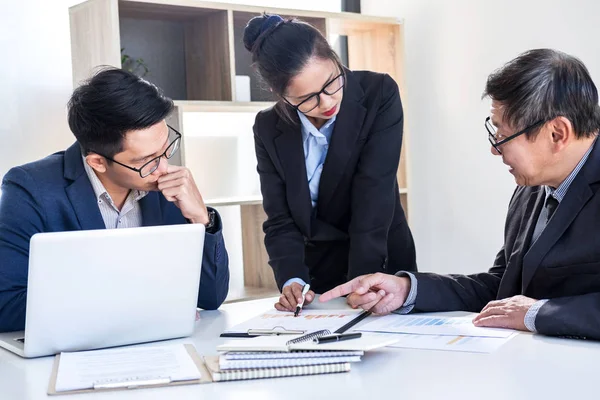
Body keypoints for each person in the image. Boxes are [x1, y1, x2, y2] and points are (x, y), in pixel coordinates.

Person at [320, 48, 600, 340]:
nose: (494, 148)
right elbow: (502, 287)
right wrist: (408, 289)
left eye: (503, 136)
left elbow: (525, 309)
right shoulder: (531, 188)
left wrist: (537, 314)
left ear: (557, 134)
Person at [0, 68, 230, 333]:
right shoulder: (31, 189)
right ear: (97, 162)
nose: (164, 167)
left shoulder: (169, 187)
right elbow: (6, 305)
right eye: (147, 161)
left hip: (162, 348)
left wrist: (203, 219)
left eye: (166, 148)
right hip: (75, 355)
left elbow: (210, 298)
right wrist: (134, 302)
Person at [243, 14, 417, 313]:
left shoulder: (378, 93)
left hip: (378, 264)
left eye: (332, 83)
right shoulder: (267, 127)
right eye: (308, 98)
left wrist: (362, 282)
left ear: (335, 59)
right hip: (315, 278)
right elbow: (280, 217)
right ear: (280, 94)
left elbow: (373, 196)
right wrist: (291, 278)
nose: (326, 103)